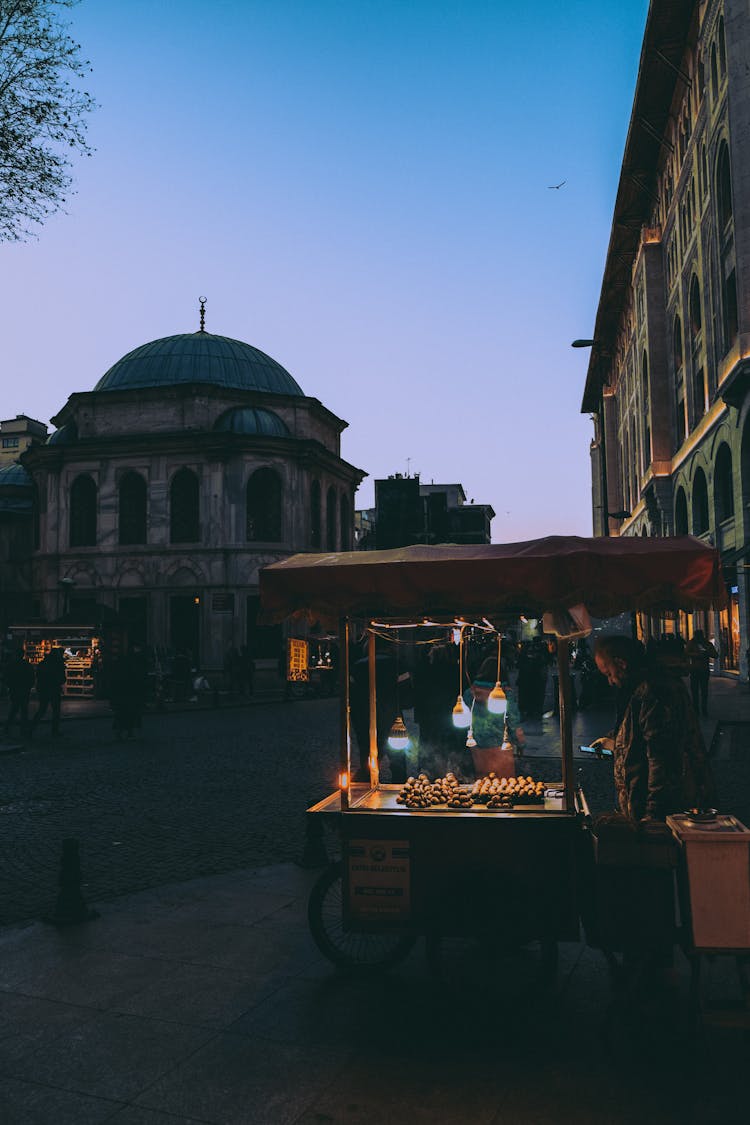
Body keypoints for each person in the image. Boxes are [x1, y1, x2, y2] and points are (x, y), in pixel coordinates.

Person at [592, 634, 715, 822]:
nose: (610, 681)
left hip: (669, 813)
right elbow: (638, 736)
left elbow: (662, 761)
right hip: (647, 809)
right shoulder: (639, 689)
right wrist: (613, 742)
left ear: (621, 663)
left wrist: (653, 815)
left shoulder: (655, 692)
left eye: (609, 673)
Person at [30, 647, 67, 737]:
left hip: (43, 689)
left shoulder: (42, 663)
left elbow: (38, 675)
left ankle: (30, 729)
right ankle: (54, 731)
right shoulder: (58, 664)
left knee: (42, 710)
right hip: (54, 689)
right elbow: (62, 679)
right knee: (56, 711)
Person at [684, 629, 718, 717]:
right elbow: (686, 653)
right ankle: (696, 709)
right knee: (695, 691)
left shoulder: (706, 644)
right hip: (695, 670)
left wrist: (706, 652)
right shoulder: (692, 643)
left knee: (703, 691)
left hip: (703, 670)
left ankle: (703, 709)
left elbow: (715, 655)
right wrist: (697, 655)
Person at [3, 650, 35, 738]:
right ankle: (23, 730)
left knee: (14, 709)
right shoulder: (27, 665)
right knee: (24, 711)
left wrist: (9, 686)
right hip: (24, 690)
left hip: (15, 690)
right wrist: (29, 686)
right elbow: (32, 677)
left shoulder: (11, 665)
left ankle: (7, 727)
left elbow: (6, 677)